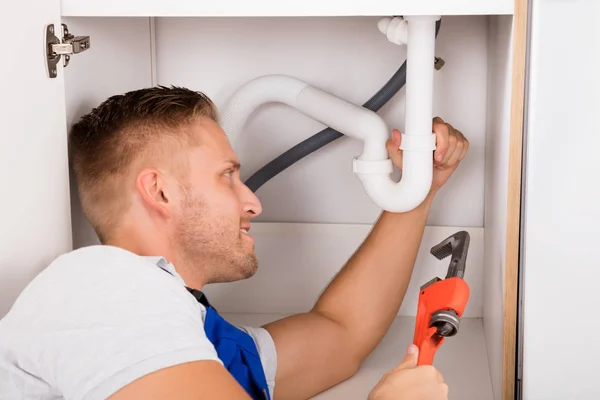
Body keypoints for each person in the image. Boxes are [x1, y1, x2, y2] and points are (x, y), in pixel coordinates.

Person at [0, 86, 468, 400]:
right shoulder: (102, 289)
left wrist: (418, 190)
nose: (253, 202)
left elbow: (341, 334)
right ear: (159, 191)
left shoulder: (187, 330)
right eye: (228, 176)